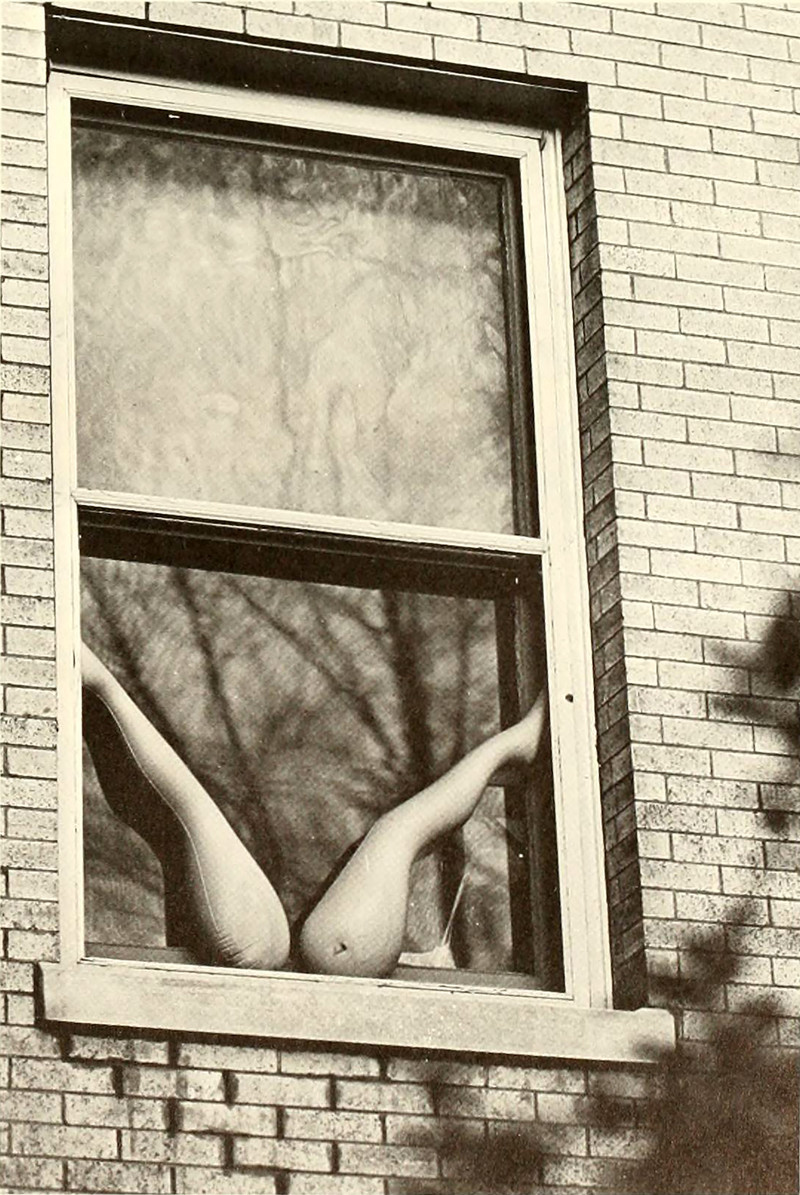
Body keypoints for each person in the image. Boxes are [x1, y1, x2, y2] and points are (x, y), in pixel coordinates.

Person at [81, 642, 548, 977]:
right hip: (339, 944)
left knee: (190, 809)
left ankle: (97, 680)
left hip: (254, 931)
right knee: (400, 832)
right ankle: (512, 746)